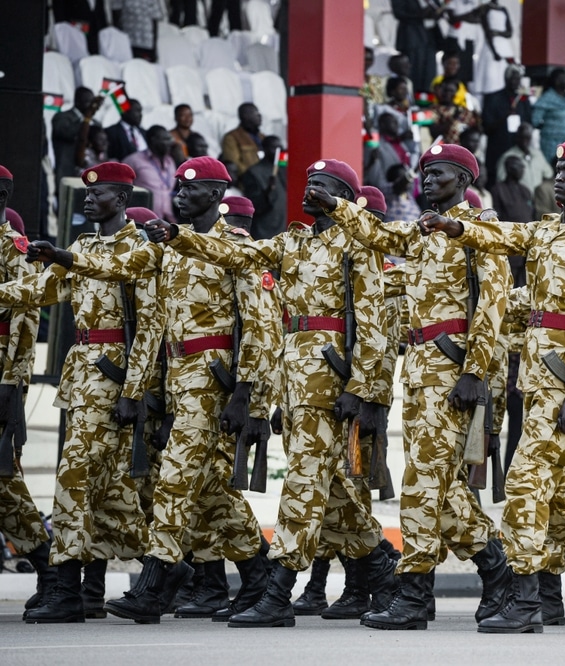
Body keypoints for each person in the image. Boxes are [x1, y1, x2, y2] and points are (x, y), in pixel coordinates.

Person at [143, 158, 398, 629]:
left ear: (342, 196)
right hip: (296, 382)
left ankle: (277, 592)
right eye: (308, 182)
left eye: (321, 185)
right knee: (334, 488)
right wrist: (181, 238)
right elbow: (240, 255)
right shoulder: (293, 241)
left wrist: (362, 388)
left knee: (303, 483)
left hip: (332, 380)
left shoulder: (357, 243)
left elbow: (373, 323)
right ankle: (383, 573)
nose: (309, 189)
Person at [421, 140, 565, 634]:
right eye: (557, 169)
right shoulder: (547, 230)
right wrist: (455, 226)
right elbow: (503, 236)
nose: (558, 178)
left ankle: (526, 602)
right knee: (549, 495)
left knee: (526, 484)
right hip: (536, 382)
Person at [64, 157, 274, 624]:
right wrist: (65, 259)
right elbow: (144, 309)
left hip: (215, 379)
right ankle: (258, 577)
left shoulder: (237, 248)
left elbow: (261, 327)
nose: (179, 193)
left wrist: (248, 397)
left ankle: (156, 585)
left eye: (190, 188)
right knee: (213, 491)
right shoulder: (169, 247)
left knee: (175, 479)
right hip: (180, 379)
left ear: (217, 197)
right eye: (176, 186)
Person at [317, 144, 513, 632]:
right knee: (442, 492)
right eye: (423, 171)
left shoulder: (481, 234)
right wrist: (339, 206)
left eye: (439, 172)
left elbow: (492, 307)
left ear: (464, 179)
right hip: (421, 371)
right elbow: (379, 234)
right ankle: (499, 573)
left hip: (452, 372)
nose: (427, 178)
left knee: (421, 484)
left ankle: (415, 594)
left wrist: (475, 371)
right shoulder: (424, 231)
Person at [17, 163, 159, 623]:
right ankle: (106, 586)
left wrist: (133, 391)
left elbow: (150, 328)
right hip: (81, 378)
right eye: (87, 194)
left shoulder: (138, 248)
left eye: (98, 195)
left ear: (121, 199)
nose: (88, 200)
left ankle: (66, 590)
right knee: (106, 490)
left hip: (111, 377)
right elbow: (41, 291)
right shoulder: (82, 246)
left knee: (73, 482)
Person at [0, 166, 51, 618]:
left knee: (4, 479)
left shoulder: (11, 245)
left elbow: (25, 315)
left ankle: (49, 566)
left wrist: (13, 383)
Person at [481, 65, 532, 188]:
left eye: (519, 79)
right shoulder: (493, 98)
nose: (517, 82)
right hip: (498, 147)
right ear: (506, 79)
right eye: (514, 79)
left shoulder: (523, 99)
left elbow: (529, 122)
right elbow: (486, 127)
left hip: (517, 148)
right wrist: (504, 117)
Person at [124, 125, 177, 223]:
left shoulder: (170, 161)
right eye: (165, 139)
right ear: (153, 140)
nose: (170, 142)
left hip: (168, 220)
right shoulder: (133, 160)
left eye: (169, 139)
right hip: (142, 221)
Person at [241, 135, 288, 240]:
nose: (278, 151)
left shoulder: (283, 168)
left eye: (280, 148)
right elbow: (254, 205)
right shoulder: (253, 172)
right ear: (265, 149)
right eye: (274, 148)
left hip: (283, 225)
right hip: (265, 229)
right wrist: (268, 191)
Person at [532, 68, 565, 164]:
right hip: (551, 144)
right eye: (563, 78)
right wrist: (549, 127)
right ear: (556, 81)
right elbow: (535, 120)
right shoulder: (546, 98)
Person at [52, 87, 100, 183]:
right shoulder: (62, 117)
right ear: (77, 102)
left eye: (92, 102)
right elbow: (67, 133)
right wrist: (86, 119)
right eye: (88, 102)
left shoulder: (96, 123)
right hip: (67, 173)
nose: (91, 106)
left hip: (90, 176)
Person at [496, 123, 553, 195]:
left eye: (527, 137)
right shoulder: (507, 156)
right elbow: (501, 181)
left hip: (539, 198)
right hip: (519, 198)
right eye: (522, 137)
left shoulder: (537, 154)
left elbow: (548, 174)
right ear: (517, 138)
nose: (524, 141)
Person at [473, 0, 516, 96]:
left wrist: (497, 32)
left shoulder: (503, 9)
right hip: (490, 47)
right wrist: (494, 52)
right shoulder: (485, 8)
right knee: (491, 78)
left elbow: (509, 32)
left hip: (505, 47)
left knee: (505, 76)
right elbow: (487, 32)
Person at [221, 103, 266, 180]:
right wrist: (256, 175)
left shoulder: (263, 137)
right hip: (248, 182)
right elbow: (234, 164)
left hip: (266, 179)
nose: (260, 116)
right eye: (256, 113)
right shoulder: (232, 137)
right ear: (245, 116)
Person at [429, 79, 480, 146]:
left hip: (461, 149)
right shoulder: (435, 109)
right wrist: (453, 118)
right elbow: (434, 132)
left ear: (456, 92)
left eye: (451, 91)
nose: (447, 93)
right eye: (445, 90)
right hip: (443, 148)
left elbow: (475, 130)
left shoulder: (464, 111)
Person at [491, 155, 533, 225]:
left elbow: (531, 212)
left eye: (522, 167)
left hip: (527, 230)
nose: (522, 169)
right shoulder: (498, 189)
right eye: (519, 166)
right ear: (509, 169)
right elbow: (496, 216)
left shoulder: (525, 190)